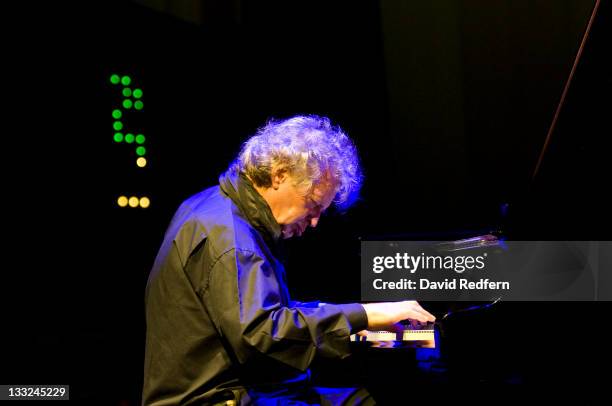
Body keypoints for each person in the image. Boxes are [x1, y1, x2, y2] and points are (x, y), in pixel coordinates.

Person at [142, 115, 435, 405]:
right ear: (279, 175)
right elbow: (263, 334)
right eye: (312, 205)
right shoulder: (232, 238)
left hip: (244, 390)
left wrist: (353, 325)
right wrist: (365, 315)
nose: (316, 221)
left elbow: (263, 316)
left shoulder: (216, 207)